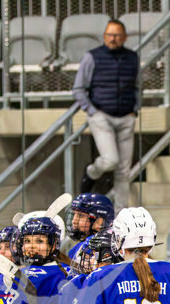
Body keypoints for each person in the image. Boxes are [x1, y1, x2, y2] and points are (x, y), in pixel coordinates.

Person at [72, 19, 139, 208]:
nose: (113, 38)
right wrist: (92, 111)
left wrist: (135, 109)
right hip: (101, 115)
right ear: (104, 37)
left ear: (124, 37)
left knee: (123, 171)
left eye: (117, 35)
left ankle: (121, 217)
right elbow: (78, 89)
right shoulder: (92, 57)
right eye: (109, 35)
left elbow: (137, 86)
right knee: (110, 160)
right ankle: (92, 172)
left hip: (126, 116)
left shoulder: (132, 57)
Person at [67, 193, 114, 260]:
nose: (74, 221)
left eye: (81, 216)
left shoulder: (110, 250)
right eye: (74, 214)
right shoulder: (76, 248)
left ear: (100, 221)